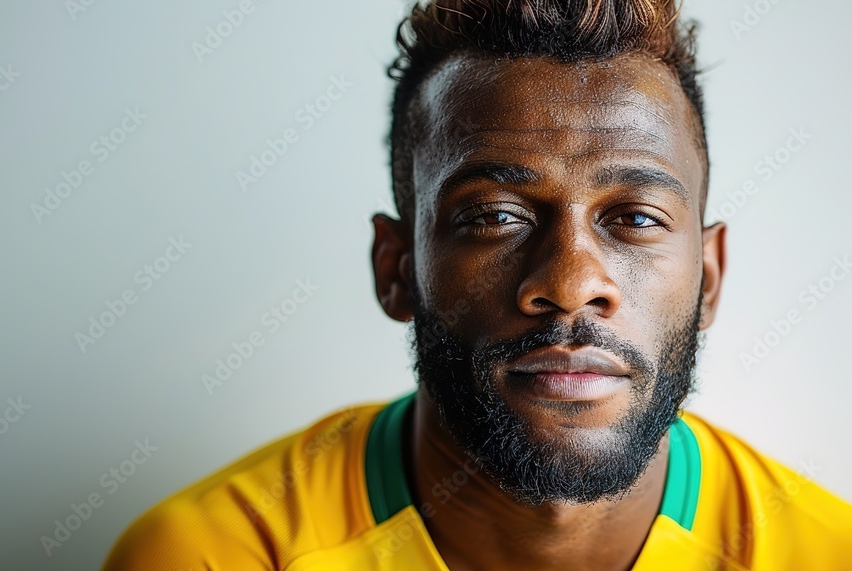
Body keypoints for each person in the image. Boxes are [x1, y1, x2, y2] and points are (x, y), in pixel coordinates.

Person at [103, 1, 852, 568]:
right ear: (396, 268)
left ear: (709, 278)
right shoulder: (213, 555)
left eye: (634, 218)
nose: (571, 283)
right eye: (494, 216)